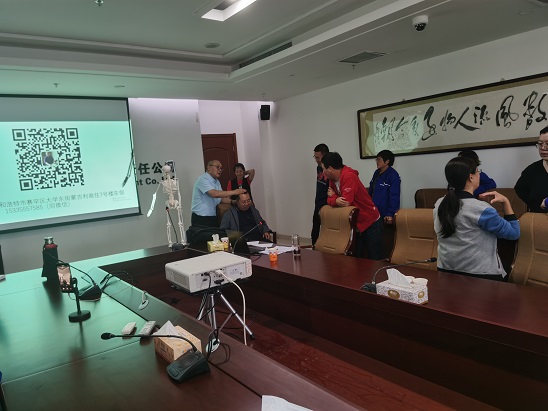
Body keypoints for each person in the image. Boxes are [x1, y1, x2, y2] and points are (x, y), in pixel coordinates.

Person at [434, 157, 520, 281]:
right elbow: (514, 233)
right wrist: (505, 201)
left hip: (445, 271)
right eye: (478, 171)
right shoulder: (481, 209)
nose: (479, 174)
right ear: (471, 177)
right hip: (480, 275)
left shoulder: (439, 204)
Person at [321, 152, 383, 260]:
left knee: (374, 259)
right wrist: (335, 200)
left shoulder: (349, 176)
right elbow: (328, 199)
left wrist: (334, 197)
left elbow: (346, 202)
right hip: (355, 223)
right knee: (357, 259)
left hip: (370, 221)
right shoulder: (332, 180)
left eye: (323, 168)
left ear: (330, 168)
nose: (323, 172)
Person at [191, 160, 246, 227]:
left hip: (213, 217)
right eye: (217, 167)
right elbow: (214, 194)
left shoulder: (217, 182)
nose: (220, 170)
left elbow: (221, 199)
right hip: (201, 218)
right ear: (209, 167)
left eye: (221, 168)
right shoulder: (202, 179)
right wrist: (235, 192)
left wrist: (233, 202)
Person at [514, 126, 548, 213]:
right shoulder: (531, 170)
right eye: (540, 144)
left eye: (547, 143)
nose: (543, 148)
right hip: (537, 217)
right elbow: (519, 189)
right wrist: (536, 205)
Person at [368, 150, 400, 224]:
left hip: (385, 213)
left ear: (387, 161)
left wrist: (390, 213)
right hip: (374, 211)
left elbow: (394, 196)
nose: (377, 162)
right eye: (376, 159)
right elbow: (371, 191)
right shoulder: (376, 172)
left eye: (379, 159)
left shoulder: (393, 175)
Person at [312, 143, 329, 246]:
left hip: (327, 203)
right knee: (315, 228)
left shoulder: (330, 168)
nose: (316, 160)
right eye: (315, 157)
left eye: (318, 157)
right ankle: (314, 248)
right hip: (318, 202)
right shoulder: (319, 167)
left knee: (327, 229)